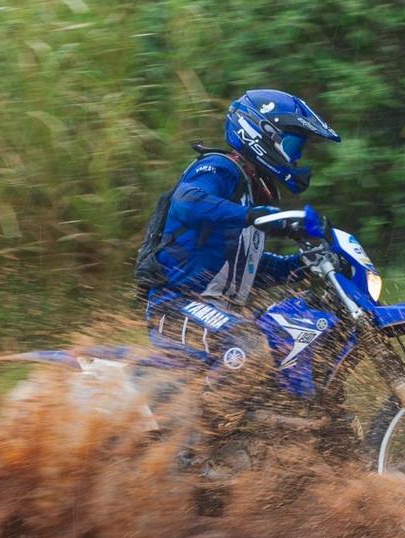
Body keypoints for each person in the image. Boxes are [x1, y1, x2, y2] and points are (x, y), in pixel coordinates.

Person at [141, 89, 341, 430]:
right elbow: (188, 200)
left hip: (219, 310)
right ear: (260, 134)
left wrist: (301, 265)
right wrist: (257, 215)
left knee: (282, 350)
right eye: (292, 144)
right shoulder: (220, 168)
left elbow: (251, 269)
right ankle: (197, 441)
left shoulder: (253, 190)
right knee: (250, 346)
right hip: (176, 307)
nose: (295, 156)